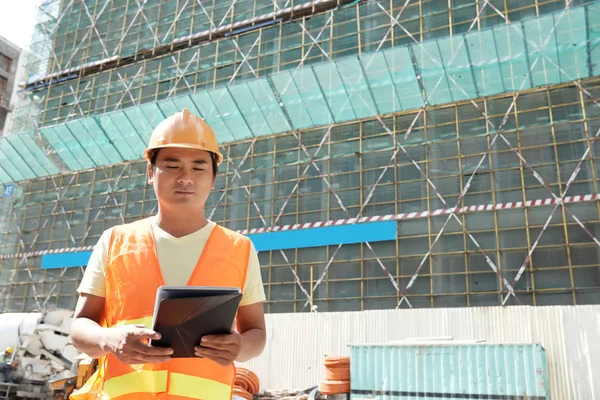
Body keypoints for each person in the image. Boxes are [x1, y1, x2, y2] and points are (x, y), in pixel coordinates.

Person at [70, 109, 267, 400]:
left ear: (213, 178)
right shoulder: (115, 241)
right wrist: (108, 339)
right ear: (151, 173)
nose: (186, 177)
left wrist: (239, 346)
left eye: (198, 167)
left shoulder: (239, 248)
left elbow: (257, 333)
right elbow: (80, 327)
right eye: (172, 166)